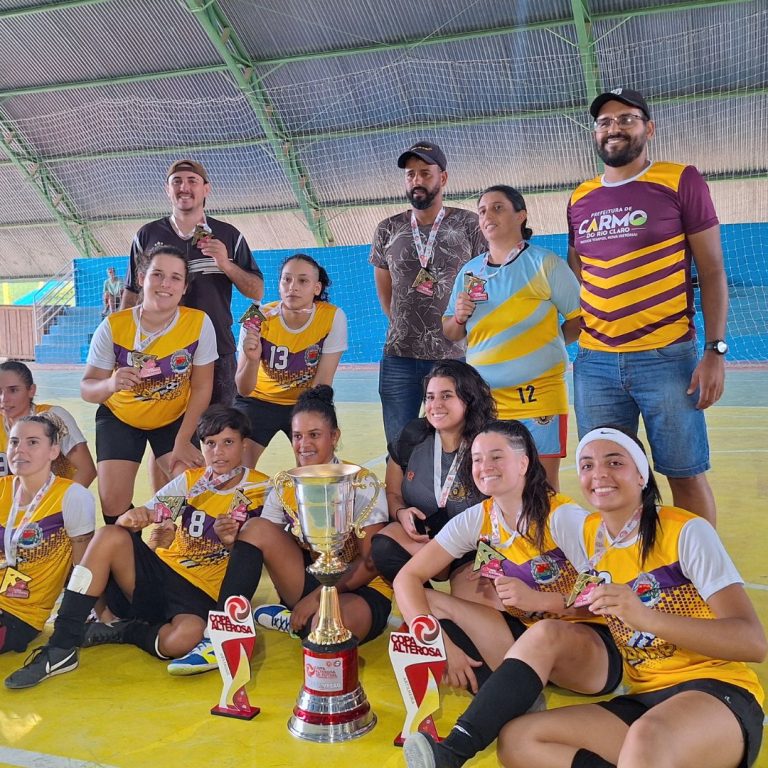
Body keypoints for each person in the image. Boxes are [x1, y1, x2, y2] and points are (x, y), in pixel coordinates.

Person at [496, 426, 766, 768]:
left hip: (716, 692)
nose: (599, 475)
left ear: (641, 475)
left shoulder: (686, 531)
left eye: (614, 462)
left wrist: (648, 618)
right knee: (518, 740)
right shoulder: (589, 534)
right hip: (644, 699)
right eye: (587, 466)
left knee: (647, 736)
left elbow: (752, 642)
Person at [396, 420, 623, 768]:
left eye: (496, 456)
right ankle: (516, 695)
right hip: (528, 638)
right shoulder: (480, 518)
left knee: (545, 631)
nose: (484, 466)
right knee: (428, 603)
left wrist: (540, 601)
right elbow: (407, 578)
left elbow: (611, 599)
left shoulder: (562, 517)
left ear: (523, 463)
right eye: (476, 458)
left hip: (593, 649)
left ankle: (452, 752)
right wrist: (441, 642)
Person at [4, 405, 270, 689]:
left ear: (244, 444)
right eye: (210, 444)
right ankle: (61, 646)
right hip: (161, 576)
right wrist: (132, 518)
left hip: (203, 594)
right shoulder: (193, 481)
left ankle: (122, 630)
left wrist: (232, 544)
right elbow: (149, 512)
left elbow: (259, 558)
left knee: (182, 639)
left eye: (228, 442)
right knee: (109, 534)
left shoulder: (261, 490)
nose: (218, 452)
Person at [567, 88, 728, 525]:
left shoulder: (680, 180)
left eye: (626, 118)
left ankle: (695, 577)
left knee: (685, 474)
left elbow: (712, 270)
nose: (613, 128)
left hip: (667, 358)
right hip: (595, 363)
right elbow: (579, 273)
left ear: (648, 128)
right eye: (604, 122)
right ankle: (626, 568)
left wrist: (714, 351)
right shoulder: (580, 197)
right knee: (607, 480)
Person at [168, 385, 390, 675]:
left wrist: (316, 599)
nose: (304, 444)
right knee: (256, 527)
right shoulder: (284, 484)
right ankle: (221, 633)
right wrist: (230, 541)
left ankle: (291, 619)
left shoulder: (361, 483)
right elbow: (262, 544)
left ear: (334, 437)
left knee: (322, 635)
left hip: (360, 588)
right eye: (297, 436)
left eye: (314, 435)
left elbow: (371, 562)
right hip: (308, 579)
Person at [444, 185, 581, 490]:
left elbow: (580, 319)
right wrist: (458, 317)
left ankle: (546, 539)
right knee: (494, 483)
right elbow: (451, 332)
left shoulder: (547, 265)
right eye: (482, 210)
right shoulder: (470, 272)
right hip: (485, 400)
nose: (487, 215)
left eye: (497, 207)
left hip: (539, 397)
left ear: (521, 215)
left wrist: (548, 344)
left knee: (541, 485)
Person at [81, 244, 218, 524]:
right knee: (113, 502)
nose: (165, 284)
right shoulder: (114, 326)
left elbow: (203, 388)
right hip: (121, 417)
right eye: (157, 274)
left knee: (192, 484)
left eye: (175, 278)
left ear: (184, 287)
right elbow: (87, 388)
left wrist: (182, 440)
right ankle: (127, 555)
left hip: (173, 419)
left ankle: (162, 530)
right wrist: (110, 383)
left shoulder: (198, 323)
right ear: (142, 278)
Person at [370, 141, 486, 447]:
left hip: (453, 357)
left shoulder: (469, 224)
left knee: (457, 444)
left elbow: (483, 278)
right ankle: (401, 496)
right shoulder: (388, 228)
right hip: (399, 357)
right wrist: (399, 322)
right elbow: (384, 284)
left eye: (425, 173)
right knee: (399, 447)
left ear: (443, 178)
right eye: (410, 175)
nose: (417, 180)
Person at [121, 159, 264, 407]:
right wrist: (120, 346)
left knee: (217, 432)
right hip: (161, 352)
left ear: (206, 189)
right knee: (166, 435)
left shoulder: (229, 235)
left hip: (218, 349)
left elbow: (256, 290)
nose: (184, 187)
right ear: (167, 189)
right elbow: (132, 291)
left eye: (192, 181)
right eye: (176, 181)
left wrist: (225, 263)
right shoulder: (146, 235)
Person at [370, 360, 495, 585]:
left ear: (468, 399)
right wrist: (400, 513)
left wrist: (493, 560)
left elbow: (513, 511)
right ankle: (421, 608)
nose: (435, 405)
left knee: (466, 616)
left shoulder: (491, 443)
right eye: (430, 397)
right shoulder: (412, 436)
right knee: (384, 544)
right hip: (427, 541)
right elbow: (393, 494)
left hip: (476, 549)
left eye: (446, 396)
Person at [234, 254, 347, 467]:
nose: (292, 287)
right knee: (237, 469)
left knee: (314, 466)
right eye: (286, 279)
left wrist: (309, 424)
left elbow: (322, 382)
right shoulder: (257, 316)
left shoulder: (333, 317)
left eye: (303, 281)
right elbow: (243, 389)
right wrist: (251, 359)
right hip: (257, 400)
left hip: (305, 400)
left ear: (317, 288)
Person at [0, 415, 95, 654]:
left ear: (54, 450)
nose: (19, 450)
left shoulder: (72, 496)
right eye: (14, 442)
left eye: (32, 442)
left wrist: (79, 617)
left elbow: (83, 566)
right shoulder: (2, 488)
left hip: (19, 614)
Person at [0, 361, 96, 486]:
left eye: (13, 390)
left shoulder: (53, 418)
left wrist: (61, 503)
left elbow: (86, 470)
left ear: (31, 390)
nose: (4, 399)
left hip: (54, 501)